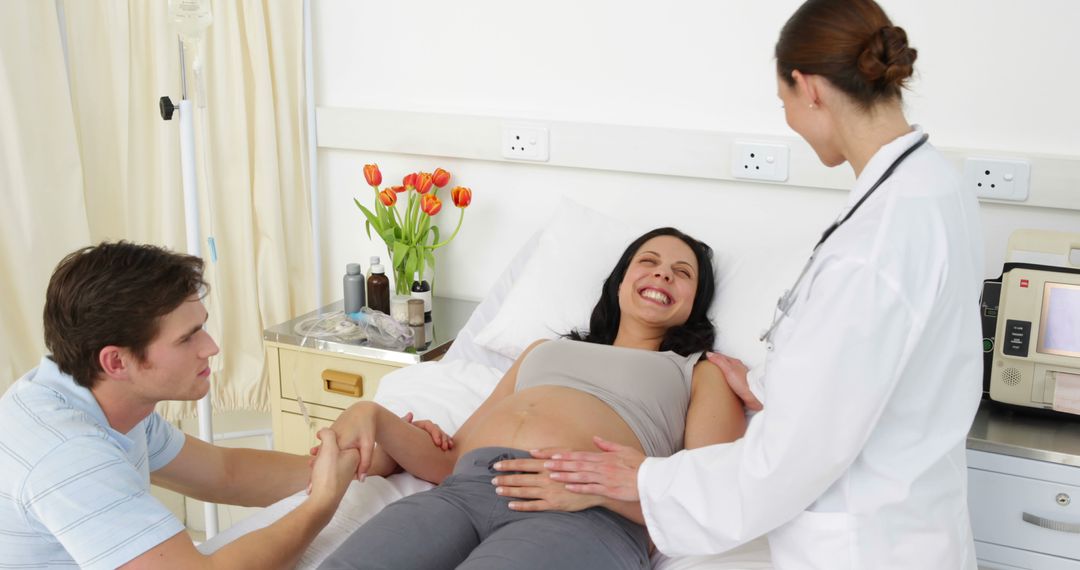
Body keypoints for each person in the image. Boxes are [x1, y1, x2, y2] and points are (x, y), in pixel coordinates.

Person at [539, 1, 985, 568]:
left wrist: (652, 481)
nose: (790, 121)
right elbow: (872, 369)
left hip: (864, 542)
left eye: (784, 103)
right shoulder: (935, 187)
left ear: (809, 88)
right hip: (915, 520)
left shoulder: (876, 244)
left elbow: (794, 457)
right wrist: (773, 386)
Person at [318, 227, 746, 569]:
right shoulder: (543, 350)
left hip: (584, 513)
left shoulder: (699, 371)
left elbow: (705, 493)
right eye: (648, 262)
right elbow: (449, 460)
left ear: (695, 302)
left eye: (682, 272)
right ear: (619, 283)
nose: (663, 274)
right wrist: (372, 414)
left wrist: (603, 495)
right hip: (462, 493)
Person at [0, 241, 361, 568]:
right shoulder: (70, 454)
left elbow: (224, 473)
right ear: (116, 362)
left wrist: (351, 463)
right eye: (187, 339)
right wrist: (322, 503)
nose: (211, 348)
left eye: (201, 327)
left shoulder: (105, 399)